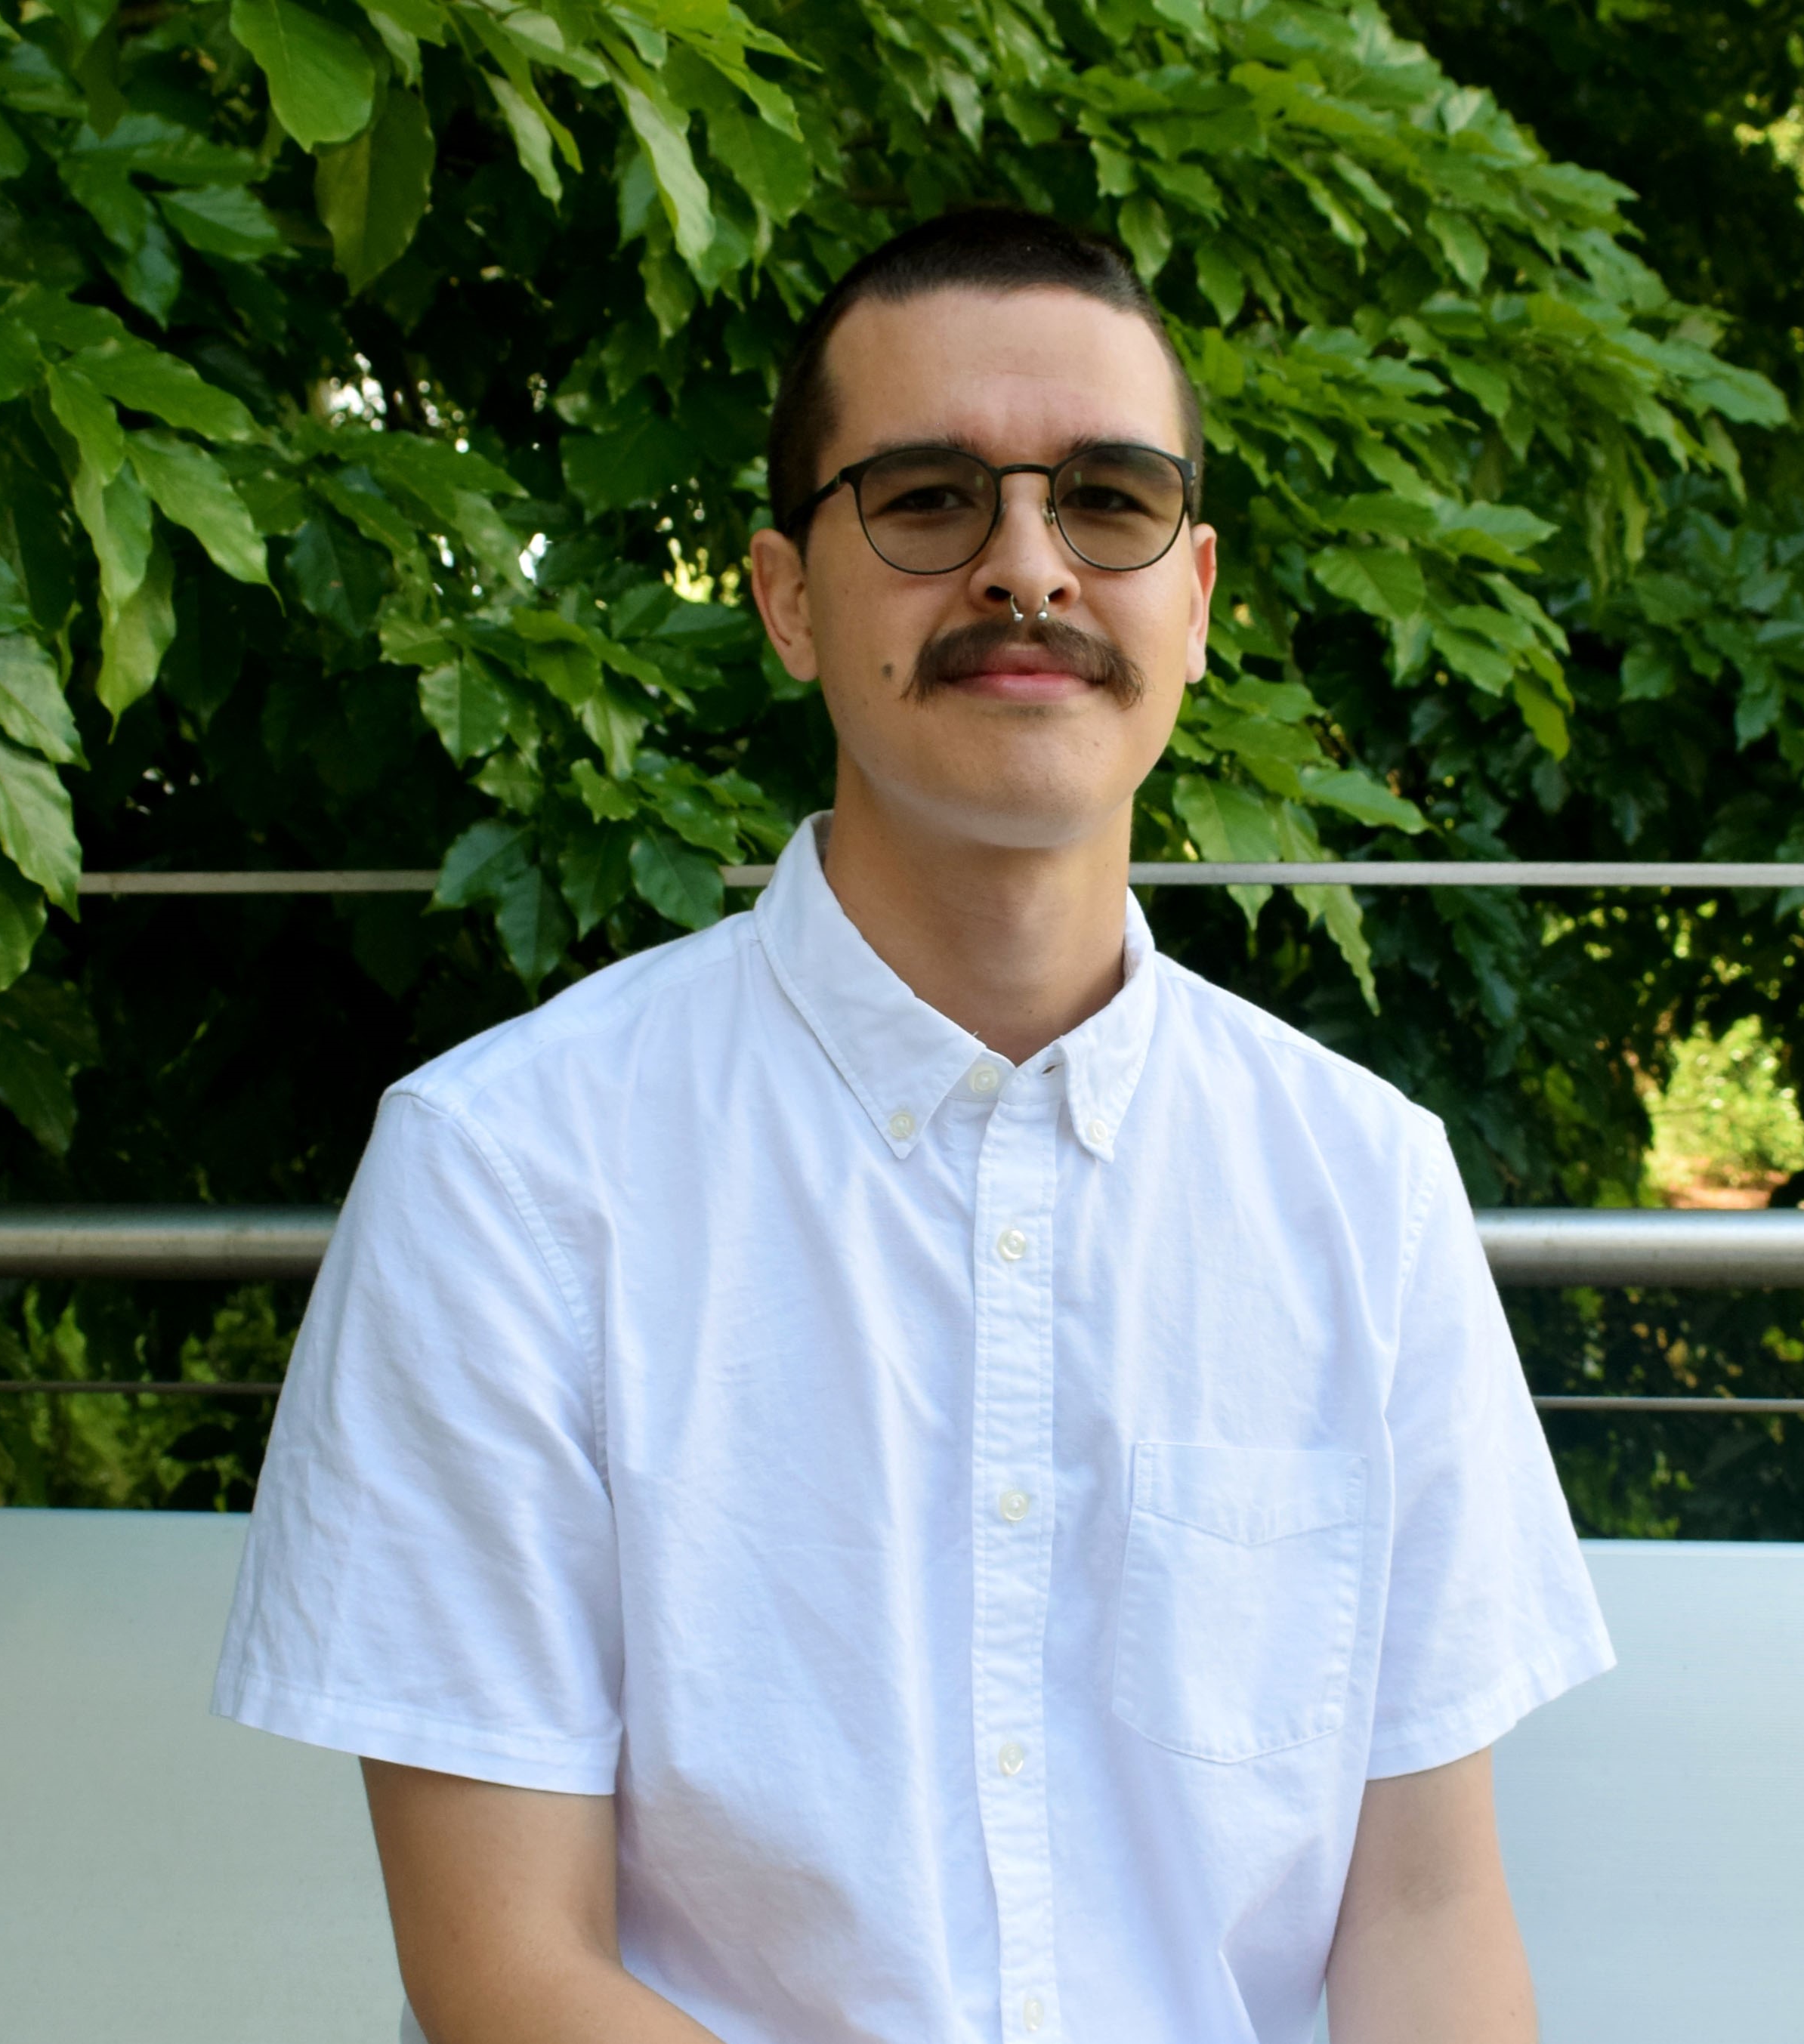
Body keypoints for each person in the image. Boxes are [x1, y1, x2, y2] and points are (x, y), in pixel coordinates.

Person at [214, 207, 1612, 2044]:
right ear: (789, 597)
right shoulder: (511, 1176)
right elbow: (508, 1972)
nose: (1027, 568)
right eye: (929, 499)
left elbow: (1425, 1913)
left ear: (1192, 595)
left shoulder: (1360, 1184)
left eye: (1105, 500)